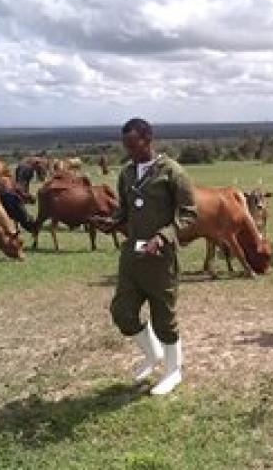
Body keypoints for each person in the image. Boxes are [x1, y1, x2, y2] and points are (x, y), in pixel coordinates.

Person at [94, 118, 197, 395]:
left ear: (148, 139)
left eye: (133, 143)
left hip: (160, 257)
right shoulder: (127, 173)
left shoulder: (172, 172)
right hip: (133, 255)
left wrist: (162, 237)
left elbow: (188, 214)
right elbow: (125, 212)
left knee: (164, 317)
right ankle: (153, 355)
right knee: (122, 312)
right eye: (125, 145)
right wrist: (112, 222)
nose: (128, 150)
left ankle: (174, 370)